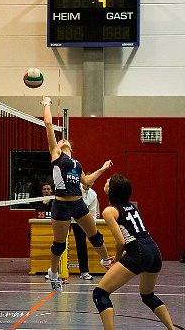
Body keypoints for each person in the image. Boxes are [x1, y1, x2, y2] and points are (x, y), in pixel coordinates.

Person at [41, 96, 113, 292]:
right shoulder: (56, 155)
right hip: (62, 204)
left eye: (64, 140)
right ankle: (54, 274)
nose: (61, 139)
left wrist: (103, 168)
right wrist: (46, 103)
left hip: (79, 203)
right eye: (60, 139)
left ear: (70, 147)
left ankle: (106, 260)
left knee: (95, 236)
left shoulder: (77, 163)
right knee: (59, 244)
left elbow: (88, 182)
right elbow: (48, 124)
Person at [93, 173, 175, 330]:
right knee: (147, 295)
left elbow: (121, 241)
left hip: (139, 252)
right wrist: (125, 255)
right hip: (153, 251)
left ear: (112, 190)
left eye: (108, 181)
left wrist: (117, 260)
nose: (106, 182)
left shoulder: (109, 211)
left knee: (100, 294)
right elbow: (136, 236)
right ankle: (172, 328)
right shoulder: (133, 207)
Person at [71, 173, 99, 280]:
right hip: (68, 219)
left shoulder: (93, 195)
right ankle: (54, 270)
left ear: (92, 182)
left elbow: (92, 213)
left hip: (80, 221)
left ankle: (84, 272)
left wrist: (93, 228)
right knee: (60, 244)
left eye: (91, 180)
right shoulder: (74, 189)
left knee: (82, 245)